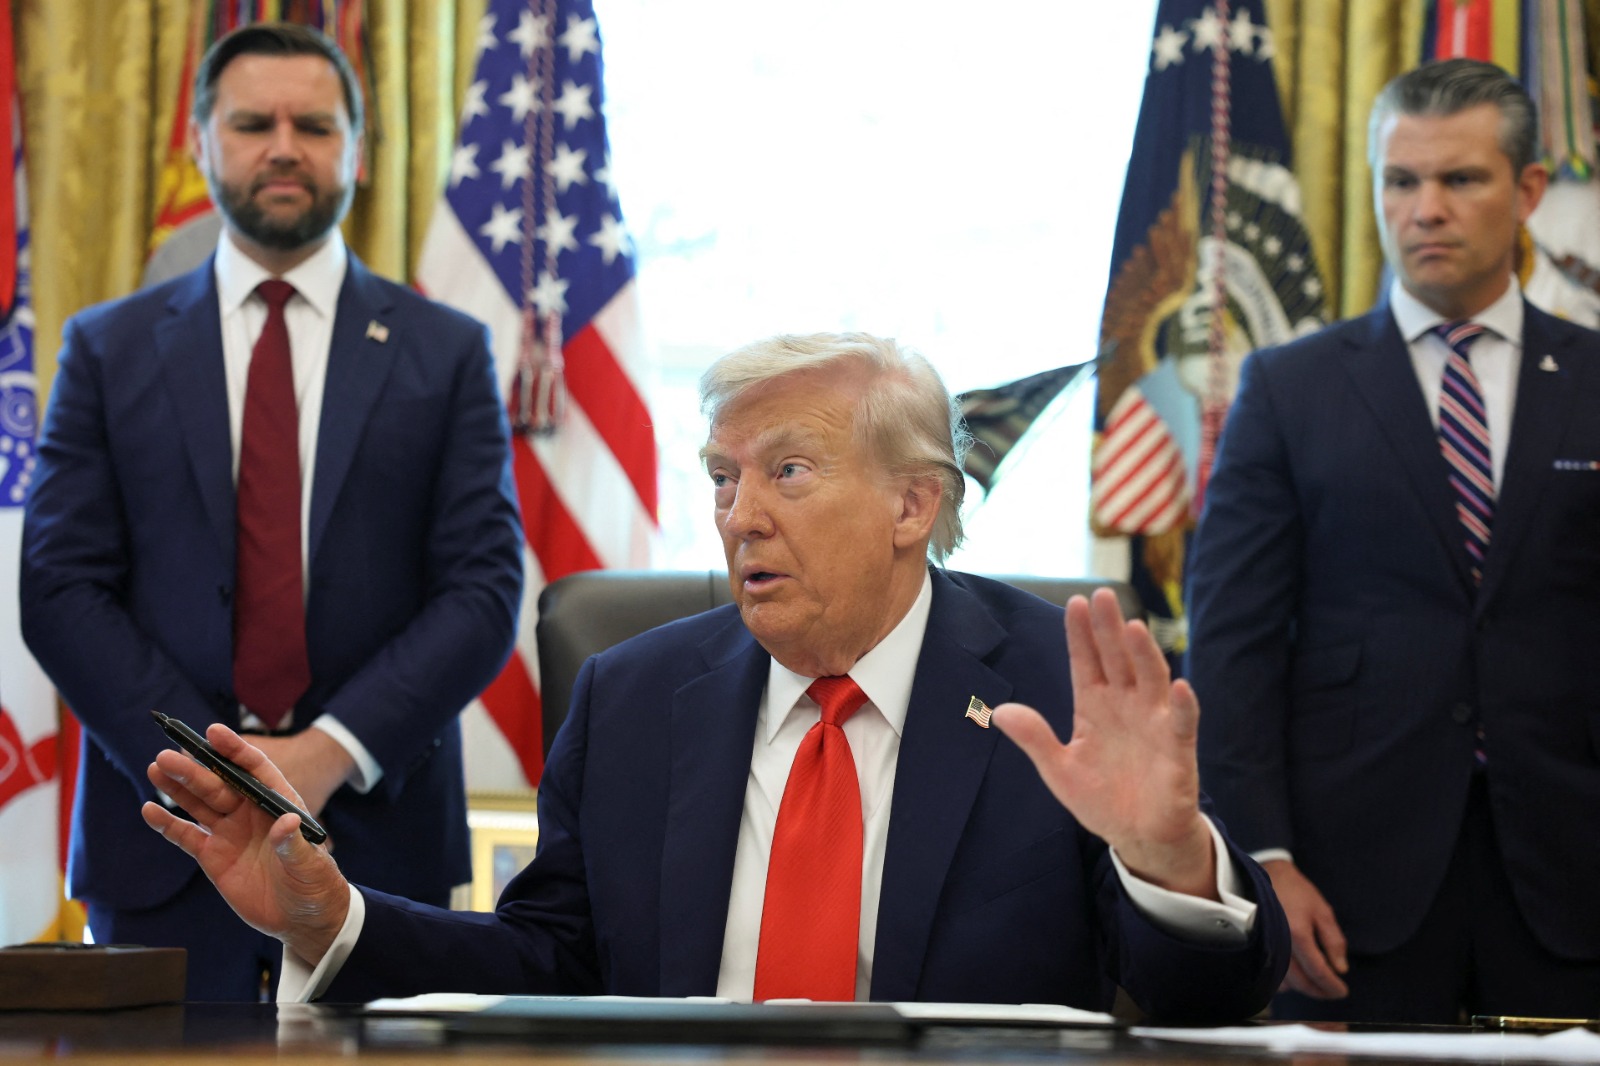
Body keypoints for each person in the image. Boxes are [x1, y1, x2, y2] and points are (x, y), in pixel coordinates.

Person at [142, 332, 1288, 1021]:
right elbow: (551, 965)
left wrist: (1165, 861)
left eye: (787, 472)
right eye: (721, 477)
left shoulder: (1061, 688)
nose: (738, 516)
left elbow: (1202, 1005)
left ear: (912, 502)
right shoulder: (634, 696)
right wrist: (332, 915)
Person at [20, 23, 523, 1000]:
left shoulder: (447, 350)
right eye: (254, 124)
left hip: (378, 853)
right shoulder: (105, 349)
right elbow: (59, 588)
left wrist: (327, 754)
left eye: (315, 126)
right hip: (163, 836)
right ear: (202, 142)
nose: (284, 147)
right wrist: (206, 770)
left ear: (358, 150)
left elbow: (483, 589)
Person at [1187, 58, 1600, 1024]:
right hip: (1348, 885)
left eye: (1461, 179)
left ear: (1528, 191)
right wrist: (1263, 858)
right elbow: (1234, 646)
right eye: (1401, 180)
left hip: (1573, 872)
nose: (1426, 209)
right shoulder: (1289, 389)